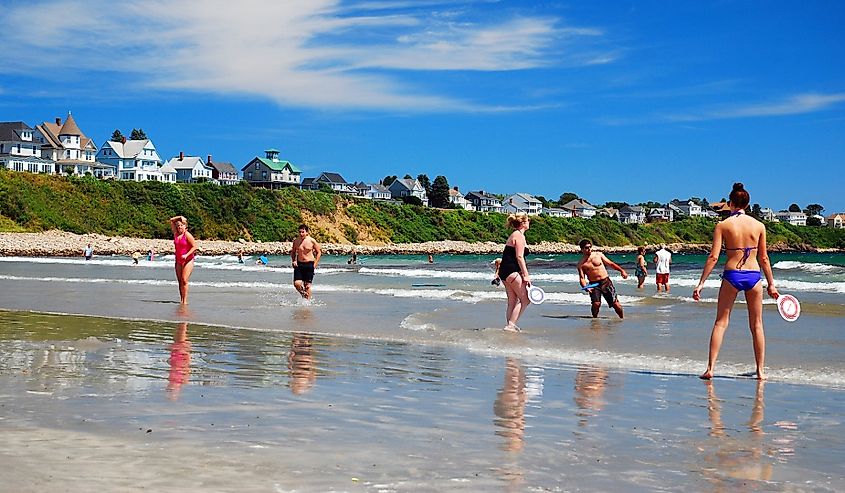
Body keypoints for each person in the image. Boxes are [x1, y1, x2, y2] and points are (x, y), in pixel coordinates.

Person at [693, 183, 778, 380]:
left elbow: (713, 257)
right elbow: (764, 258)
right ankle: (760, 372)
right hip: (754, 276)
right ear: (747, 204)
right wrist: (772, 283)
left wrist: (701, 283)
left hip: (732, 275)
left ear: (730, 203)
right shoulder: (759, 226)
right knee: (757, 325)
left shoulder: (723, 225)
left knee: (721, 323)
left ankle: (710, 369)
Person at [577, 239, 628, 319]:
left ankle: (622, 318)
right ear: (582, 249)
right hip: (594, 284)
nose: (589, 249)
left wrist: (622, 271)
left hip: (605, 282)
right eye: (587, 248)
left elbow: (611, 264)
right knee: (596, 303)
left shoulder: (598, 255)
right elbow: (582, 278)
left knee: (615, 304)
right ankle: (594, 319)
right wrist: (586, 287)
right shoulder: (581, 264)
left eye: (590, 247)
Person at [498, 212, 531, 332]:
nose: (529, 222)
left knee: (512, 301)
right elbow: (519, 257)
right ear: (523, 223)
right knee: (525, 299)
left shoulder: (515, 234)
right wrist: (526, 275)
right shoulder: (519, 236)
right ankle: (511, 325)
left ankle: (509, 325)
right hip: (512, 271)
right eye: (528, 220)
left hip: (505, 271)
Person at [169, 215, 197, 305]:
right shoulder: (176, 234)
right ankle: (181, 299)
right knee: (180, 281)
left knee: (184, 280)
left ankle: (185, 301)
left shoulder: (187, 235)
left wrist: (187, 254)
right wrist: (180, 217)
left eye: (181, 225)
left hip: (188, 259)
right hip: (178, 260)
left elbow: (194, 247)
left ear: (185, 226)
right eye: (178, 225)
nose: (179, 227)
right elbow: (171, 220)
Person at [291, 224, 322, 300]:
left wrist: (314, 265)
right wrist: (294, 260)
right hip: (299, 264)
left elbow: (319, 252)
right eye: (300, 232)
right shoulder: (296, 241)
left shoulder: (312, 240)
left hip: (309, 264)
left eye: (303, 232)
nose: (301, 234)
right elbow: (293, 252)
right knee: (297, 284)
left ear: (307, 232)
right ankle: (303, 294)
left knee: (307, 286)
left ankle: (307, 302)